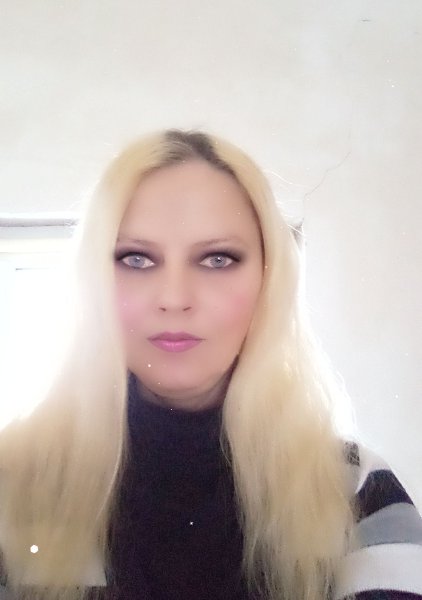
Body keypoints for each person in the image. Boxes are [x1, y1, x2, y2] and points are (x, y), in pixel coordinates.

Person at [0, 129, 421, 600]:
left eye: (217, 259)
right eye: (135, 259)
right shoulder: (11, 483)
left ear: (269, 279)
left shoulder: (356, 491)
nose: (174, 297)